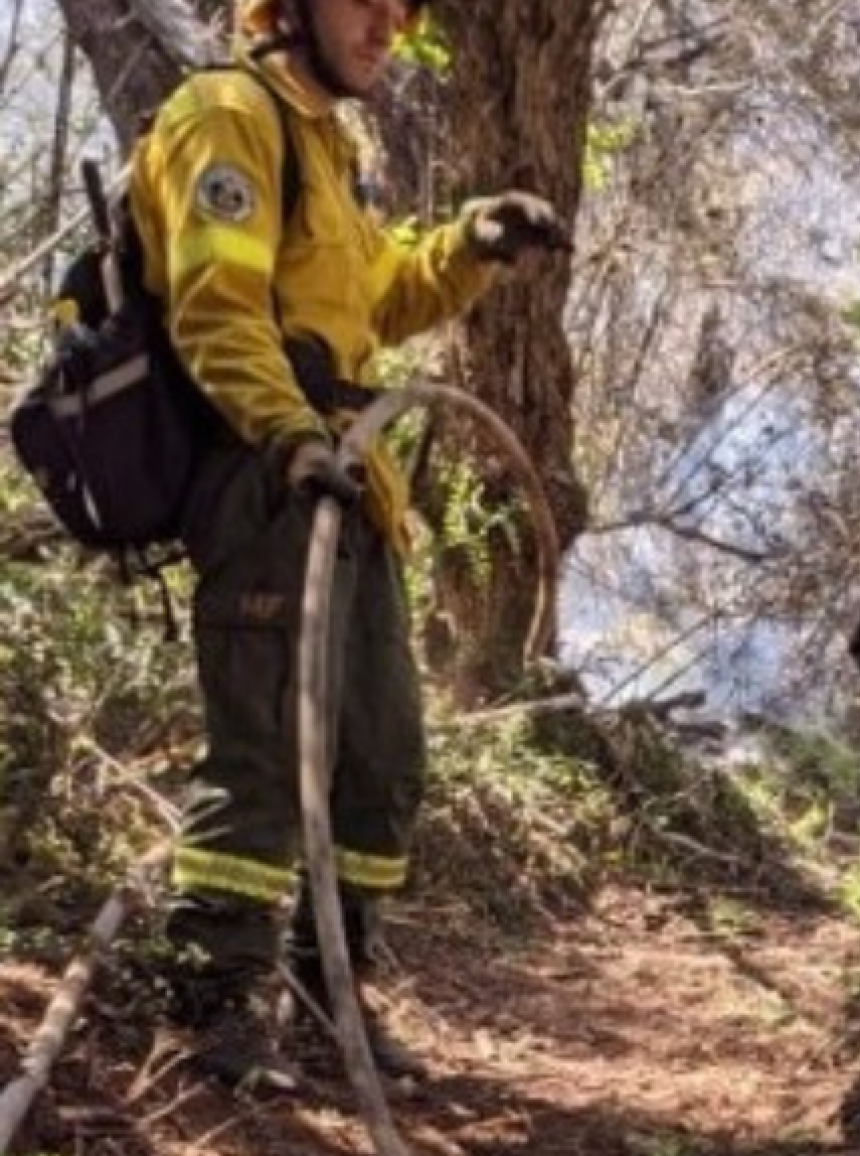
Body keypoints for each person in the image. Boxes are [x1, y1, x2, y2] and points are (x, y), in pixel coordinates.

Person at [136, 0, 570, 1093]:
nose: (388, 24)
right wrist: (287, 433)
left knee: (379, 754)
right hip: (266, 476)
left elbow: (374, 297)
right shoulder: (229, 117)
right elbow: (216, 307)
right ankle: (211, 1005)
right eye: (364, 0)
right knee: (270, 749)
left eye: (403, 8)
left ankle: (331, 989)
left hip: (348, 481)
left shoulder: (327, 146)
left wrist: (472, 242)